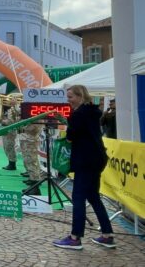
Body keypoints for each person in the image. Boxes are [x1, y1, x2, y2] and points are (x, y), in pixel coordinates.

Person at [53, 85, 115, 250]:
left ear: (81, 96)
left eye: (71, 97)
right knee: (93, 197)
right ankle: (107, 235)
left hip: (85, 160)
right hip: (97, 158)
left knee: (78, 197)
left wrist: (68, 124)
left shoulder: (79, 114)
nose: (69, 100)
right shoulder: (92, 112)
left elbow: (71, 137)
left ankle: (75, 237)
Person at [0, 104, 19, 171]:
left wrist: (2, 121)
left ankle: (12, 164)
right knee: (6, 147)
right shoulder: (6, 109)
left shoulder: (12, 109)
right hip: (6, 130)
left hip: (10, 131)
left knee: (9, 147)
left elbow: (11, 121)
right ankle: (10, 162)